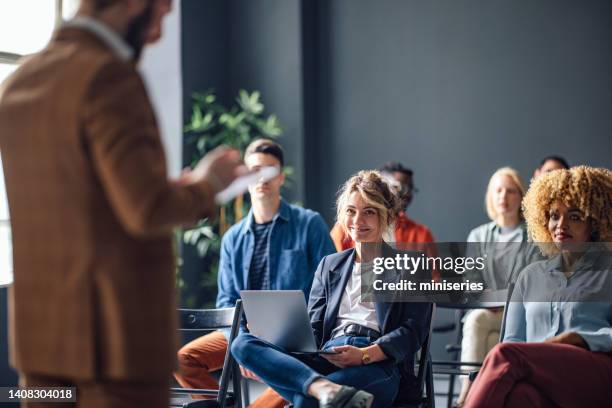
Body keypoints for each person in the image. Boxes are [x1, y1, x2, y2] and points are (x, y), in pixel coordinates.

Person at [0, 1, 246, 407]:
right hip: (114, 349)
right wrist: (207, 184)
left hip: (41, 345)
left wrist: (166, 188)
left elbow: (79, 199)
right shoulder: (108, 77)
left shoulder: (19, 82)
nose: (159, 34)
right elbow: (147, 210)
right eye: (161, 14)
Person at [231, 170, 431, 408]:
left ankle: (316, 388)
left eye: (369, 212)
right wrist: (276, 342)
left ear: (386, 216)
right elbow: (313, 329)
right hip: (327, 355)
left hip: (377, 364)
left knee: (308, 401)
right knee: (242, 344)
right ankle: (319, 386)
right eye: (351, 211)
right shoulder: (329, 265)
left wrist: (365, 354)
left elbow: (413, 333)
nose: (357, 221)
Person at [175, 139, 335, 408]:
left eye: (270, 171)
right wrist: (242, 344)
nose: (262, 178)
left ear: (282, 176)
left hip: (297, 335)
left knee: (300, 369)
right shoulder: (233, 238)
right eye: (255, 170)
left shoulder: (309, 224)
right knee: (183, 359)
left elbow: (332, 286)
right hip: (243, 332)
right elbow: (226, 300)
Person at [464, 166, 612, 408]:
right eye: (554, 215)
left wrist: (582, 338)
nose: (561, 225)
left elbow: (509, 352)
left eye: (574, 217)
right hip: (539, 373)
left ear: (595, 222)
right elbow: (513, 339)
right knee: (520, 396)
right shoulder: (530, 276)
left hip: (594, 370)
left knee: (504, 355)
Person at [455, 167, 541, 407]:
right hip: (487, 312)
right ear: (491, 196)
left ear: (521, 196)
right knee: (476, 322)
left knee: (492, 335)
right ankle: (468, 393)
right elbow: (470, 281)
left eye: (511, 191)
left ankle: (484, 396)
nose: (504, 196)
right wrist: (487, 299)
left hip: (518, 312)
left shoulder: (534, 236)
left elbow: (533, 281)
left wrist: (502, 298)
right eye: (498, 190)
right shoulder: (478, 235)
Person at [330, 162, 434, 251]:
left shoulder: (421, 234)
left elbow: (432, 273)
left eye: (410, 189)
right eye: (399, 187)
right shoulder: (345, 229)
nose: (406, 194)